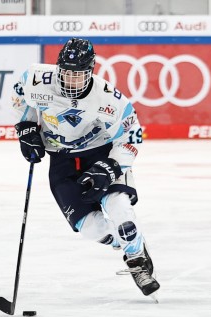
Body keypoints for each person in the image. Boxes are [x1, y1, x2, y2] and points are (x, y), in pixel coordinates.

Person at [10, 37, 160, 298]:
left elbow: (131, 135)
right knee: (91, 229)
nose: (71, 81)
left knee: (119, 208)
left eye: (78, 76)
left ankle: (137, 257)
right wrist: (26, 128)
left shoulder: (109, 99)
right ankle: (124, 243)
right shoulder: (35, 79)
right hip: (62, 159)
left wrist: (111, 166)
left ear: (90, 72)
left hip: (100, 154)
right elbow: (20, 98)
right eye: (66, 74)